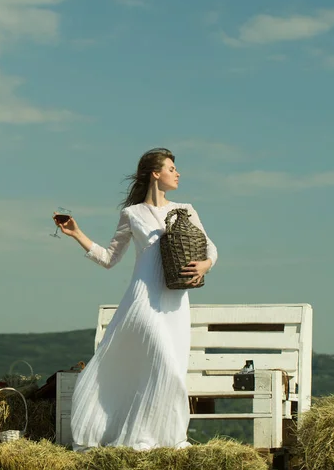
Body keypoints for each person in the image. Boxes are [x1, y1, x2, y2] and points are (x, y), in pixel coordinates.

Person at [53, 147, 218, 451]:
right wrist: (78, 234)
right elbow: (109, 258)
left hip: (176, 303)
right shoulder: (132, 214)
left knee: (173, 368)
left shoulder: (187, 209)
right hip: (143, 300)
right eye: (171, 168)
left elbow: (210, 249)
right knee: (164, 362)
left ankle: (165, 437)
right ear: (156, 173)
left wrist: (205, 265)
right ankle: (140, 436)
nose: (177, 173)